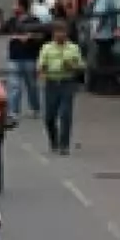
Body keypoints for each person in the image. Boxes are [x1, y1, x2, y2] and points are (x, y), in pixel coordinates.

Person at [37, 27, 85, 156]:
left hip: (67, 82)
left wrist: (73, 66)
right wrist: (42, 73)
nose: (60, 35)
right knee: (49, 116)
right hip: (51, 83)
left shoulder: (73, 48)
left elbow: (81, 66)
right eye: (57, 32)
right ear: (53, 34)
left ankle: (64, 145)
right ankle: (54, 140)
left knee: (65, 114)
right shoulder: (47, 48)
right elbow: (41, 65)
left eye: (62, 32)